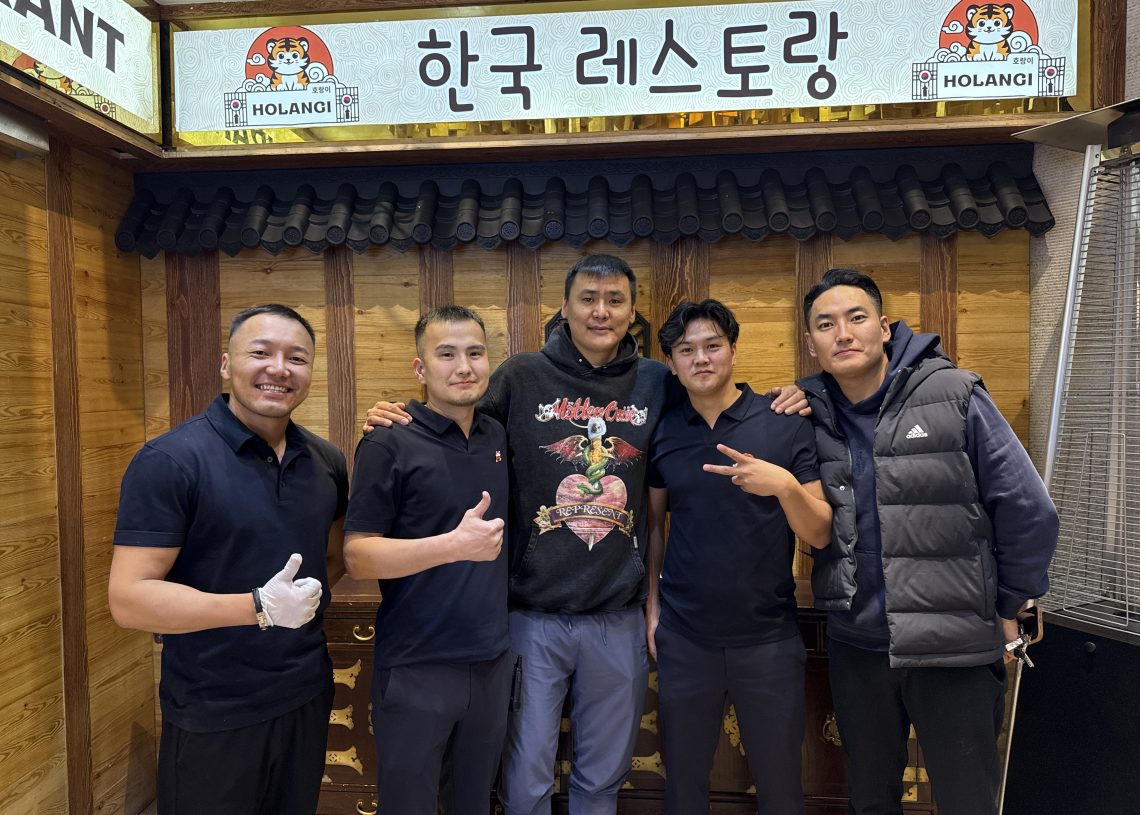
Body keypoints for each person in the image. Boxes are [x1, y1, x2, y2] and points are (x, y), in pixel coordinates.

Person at [366, 254, 809, 815]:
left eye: (615, 300)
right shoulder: (521, 376)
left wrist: (797, 395)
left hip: (618, 616)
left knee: (603, 777)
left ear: (631, 313)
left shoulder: (656, 380)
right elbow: (459, 421)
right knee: (524, 777)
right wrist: (397, 412)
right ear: (565, 308)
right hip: (530, 614)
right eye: (588, 299)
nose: (601, 311)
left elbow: (714, 393)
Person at [798, 268, 1059, 815]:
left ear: (885, 328)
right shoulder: (810, 412)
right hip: (858, 645)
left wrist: (1012, 601)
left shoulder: (955, 393)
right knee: (870, 799)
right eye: (826, 324)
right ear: (811, 342)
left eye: (857, 318)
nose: (843, 333)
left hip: (953, 646)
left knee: (967, 800)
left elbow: (1029, 509)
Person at [108, 304, 348, 815]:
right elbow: (128, 599)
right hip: (211, 708)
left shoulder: (326, 461)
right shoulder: (171, 461)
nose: (279, 368)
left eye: (297, 357)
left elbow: (332, 557)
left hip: (304, 694)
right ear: (225, 363)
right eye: (260, 352)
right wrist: (258, 606)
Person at [646, 299, 831, 815]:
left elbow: (819, 532)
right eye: (687, 350)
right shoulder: (665, 432)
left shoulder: (782, 422)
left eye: (712, 346)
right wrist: (653, 608)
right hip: (685, 638)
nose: (701, 359)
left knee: (781, 788)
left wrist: (785, 486)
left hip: (767, 638)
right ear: (673, 362)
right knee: (683, 787)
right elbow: (655, 529)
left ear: (732, 349)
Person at [343, 306, 510, 815]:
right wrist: (451, 546)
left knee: (474, 803)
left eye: (475, 353)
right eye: (447, 354)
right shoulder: (387, 440)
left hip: (491, 659)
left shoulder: (496, 436)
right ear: (420, 368)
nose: (464, 366)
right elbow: (357, 556)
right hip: (417, 661)